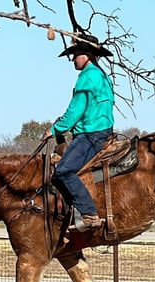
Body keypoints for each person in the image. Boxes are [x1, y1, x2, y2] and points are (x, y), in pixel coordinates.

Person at [43, 33, 115, 231]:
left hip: (92, 133)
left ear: (87, 54)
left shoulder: (87, 77)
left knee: (63, 172)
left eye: (75, 54)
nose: (73, 59)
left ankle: (89, 213)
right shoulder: (102, 76)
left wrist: (55, 129)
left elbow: (76, 110)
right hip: (102, 129)